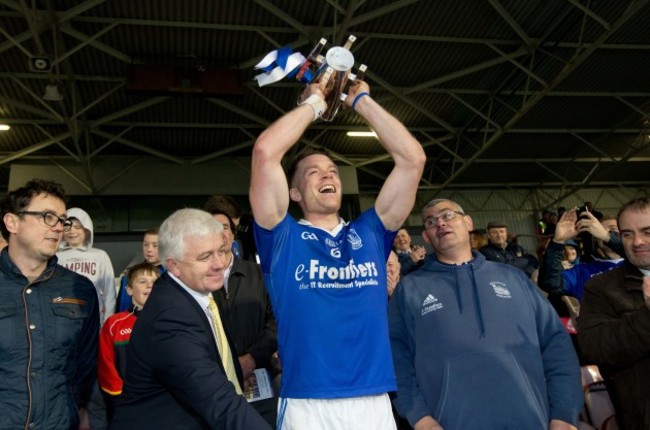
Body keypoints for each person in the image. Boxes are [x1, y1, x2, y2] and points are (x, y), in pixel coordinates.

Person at [250, 78, 425, 429]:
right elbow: (266, 152)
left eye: (332, 171)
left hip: (373, 400)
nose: (326, 176)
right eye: (313, 173)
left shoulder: (371, 233)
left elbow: (412, 159)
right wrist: (314, 103)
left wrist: (359, 100)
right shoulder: (282, 237)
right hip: (307, 403)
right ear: (295, 193)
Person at [388, 198, 583, 430]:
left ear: (468, 223)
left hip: (530, 420)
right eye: (431, 221)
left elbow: (556, 345)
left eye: (448, 215)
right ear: (427, 237)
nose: (440, 223)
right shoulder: (410, 290)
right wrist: (420, 419)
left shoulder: (513, 278)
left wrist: (564, 415)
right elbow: (396, 359)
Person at [109, 208, 270, 430]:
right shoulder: (169, 319)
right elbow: (219, 401)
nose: (220, 264)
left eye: (221, 251)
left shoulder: (199, 293)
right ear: (173, 265)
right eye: (205, 256)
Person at [0, 179, 99, 429]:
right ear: (12, 222)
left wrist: (86, 412)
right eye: (47, 217)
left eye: (62, 220)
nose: (59, 228)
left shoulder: (80, 289)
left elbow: (87, 362)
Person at [578, 197, 650, 430]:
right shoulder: (601, 288)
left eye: (647, 232)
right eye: (627, 234)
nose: (637, 241)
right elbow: (595, 347)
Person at [206, 208, 279, 427]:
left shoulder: (259, 274)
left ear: (233, 234)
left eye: (225, 227)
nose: (219, 232)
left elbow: (277, 322)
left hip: (261, 382)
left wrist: (252, 358)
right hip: (216, 384)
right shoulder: (198, 281)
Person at [98, 262, 160, 421]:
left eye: (154, 282)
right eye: (143, 281)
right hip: (125, 401)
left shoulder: (170, 321)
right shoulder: (114, 324)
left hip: (163, 401)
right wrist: (119, 394)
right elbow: (105, 362)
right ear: (129, 289)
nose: (149, 286)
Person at [57, 207, 116, 323]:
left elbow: (110, 293)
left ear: (87, 229)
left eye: (78, 227)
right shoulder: (56, 257)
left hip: (93, 319)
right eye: (67, 227)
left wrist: (107, 324)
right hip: (63, 320)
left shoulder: (100, 256)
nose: (72, 231)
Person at [115, 227, 166, 312]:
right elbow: (122, 306)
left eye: (155, 245)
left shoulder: (172, 275)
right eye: (146, 244)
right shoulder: (130, 274)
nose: (149, 249)